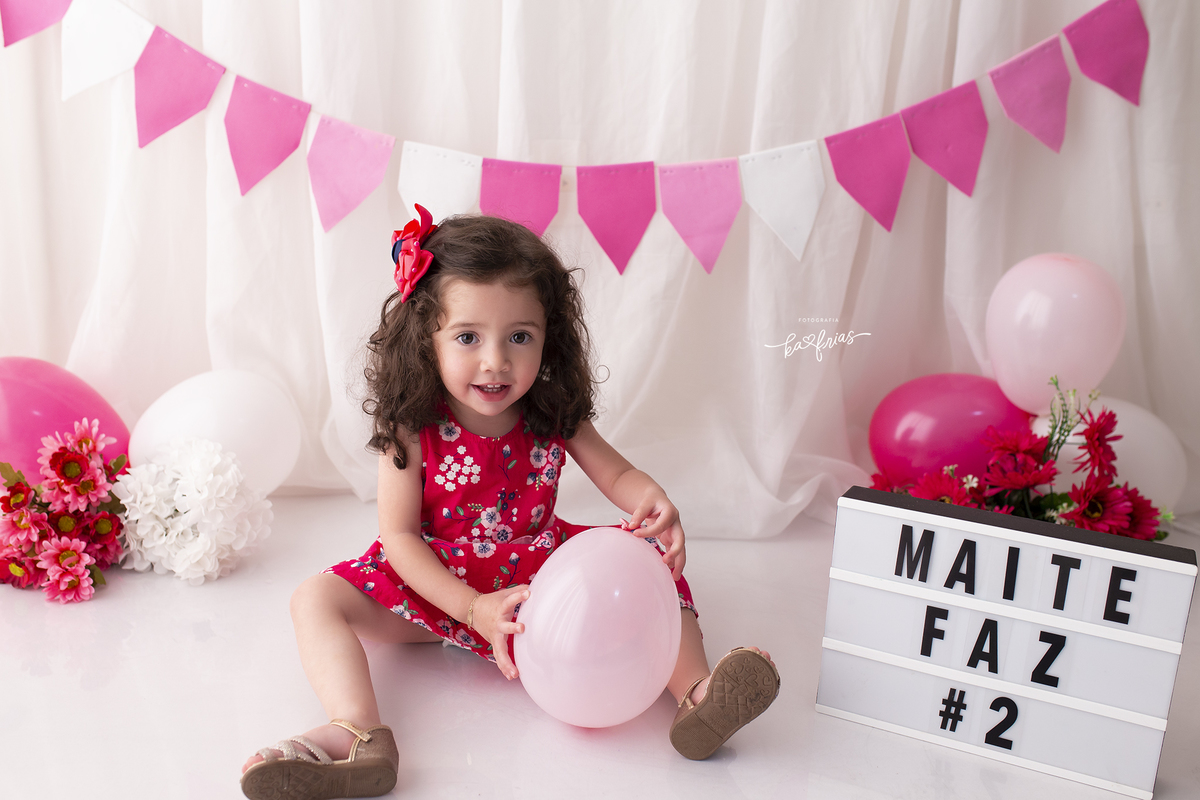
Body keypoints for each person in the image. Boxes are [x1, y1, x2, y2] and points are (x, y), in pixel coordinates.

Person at [240, 207, 780, 799]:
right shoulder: (412, 426)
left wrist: (651, 500)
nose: (495, 361)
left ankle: (700, 696)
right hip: (438, 586)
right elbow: (398, 539)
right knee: (314, 597)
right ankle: (359, 731)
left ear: (549, 338)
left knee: (651, 563)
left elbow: (617, 472)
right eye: (468, 337)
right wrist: (471, 609)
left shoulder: (551, 411)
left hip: (541, 587)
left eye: (518, 336)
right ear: (427, 338)